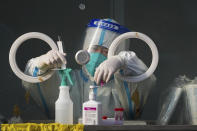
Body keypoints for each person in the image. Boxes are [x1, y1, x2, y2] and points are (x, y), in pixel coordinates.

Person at [22, 18, 156, 123]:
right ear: (85, 49)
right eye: (94, 49)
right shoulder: (68, 80)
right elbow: (32, 80)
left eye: (106, 51)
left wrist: (122, 60)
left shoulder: (124, 86)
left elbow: (144, 78)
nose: (98, 55)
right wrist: (42, 63)